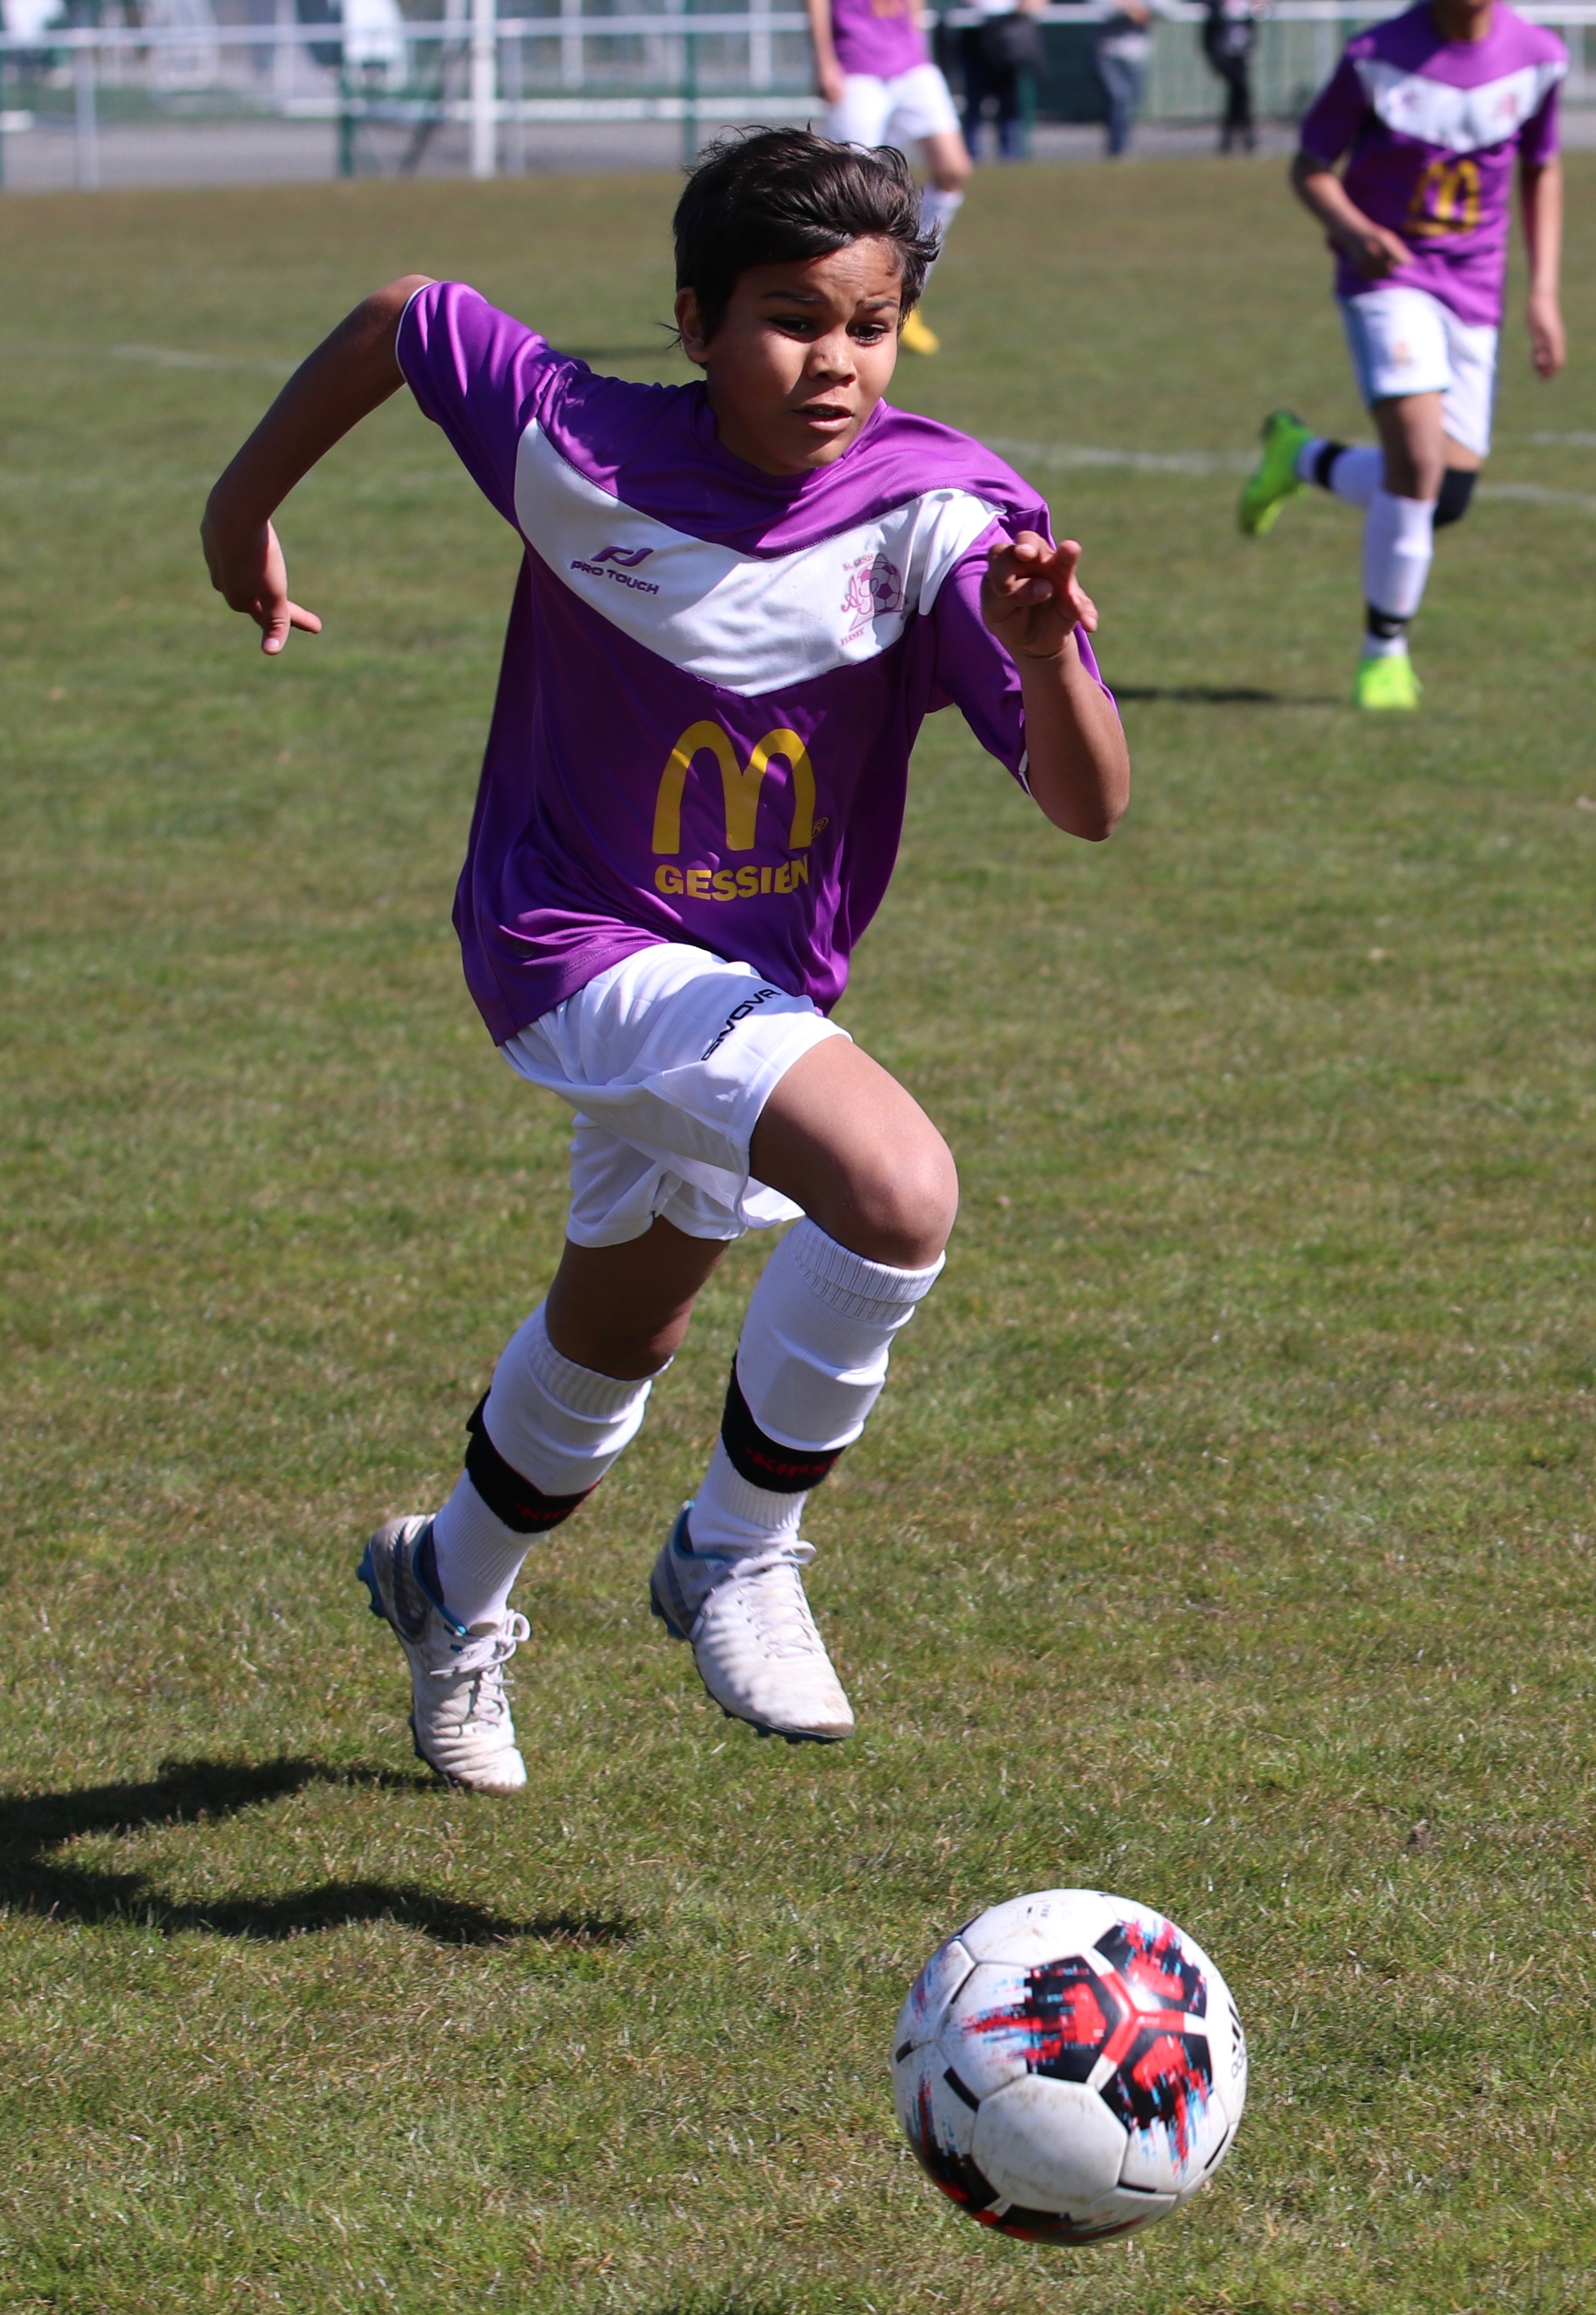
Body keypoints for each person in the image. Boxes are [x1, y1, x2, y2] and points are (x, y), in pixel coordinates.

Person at [199, 129, 1129, 1793]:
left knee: (618, 1328)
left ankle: (446, 1585)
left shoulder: (947, 517)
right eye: (791, 319)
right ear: (694, 320)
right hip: (562, 940)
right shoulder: (576, 439)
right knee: (897, 1190)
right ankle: (737, 1551)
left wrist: (1046, 658)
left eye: (868, 323)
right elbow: (406, 316)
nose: (834, 360)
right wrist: (239, 511)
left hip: (754, 983)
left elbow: (1087, 804)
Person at [1236, 0, 1565, 709]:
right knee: (1416, 464)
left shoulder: (1539, 57)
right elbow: (1310, 166)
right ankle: (1383, 655)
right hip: (1388, 281)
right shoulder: (1374, 56)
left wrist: (1543, 294)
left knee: (1445, 495)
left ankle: (1298, 457)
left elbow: (1542, 168)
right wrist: (1354, 231)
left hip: (1475, 291)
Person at [807, 0, 972, 354]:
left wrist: (919, 45)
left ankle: (907, 291)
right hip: (856, 66)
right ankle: (844, 298)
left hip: (911, 64)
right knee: (853, 188)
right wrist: (824, 60)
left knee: (952, 168)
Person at [959, 0, 1047, 164]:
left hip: (1009, 37)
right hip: (976, 35)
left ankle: (1010, 157)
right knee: (974, 105)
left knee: (1010, 105)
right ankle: (971, 156)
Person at [1094, 0, 1152, 158]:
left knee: (1129, 102)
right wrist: (1127, 7)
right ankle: (1118, 148)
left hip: (1135, 55)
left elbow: (1166, 8)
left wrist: (1143, 9)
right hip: (1105, 51)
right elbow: (1098, 8)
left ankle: (1123, 147)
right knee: (1119, 98)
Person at [1201, 0, 1257, 154]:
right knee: (1240, 91)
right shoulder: (1215, 5)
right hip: (1222, 55)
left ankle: (1230, 141)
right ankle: (1247, 140)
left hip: (1240, 56)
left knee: (1239, 94)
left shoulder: (1247, 5)